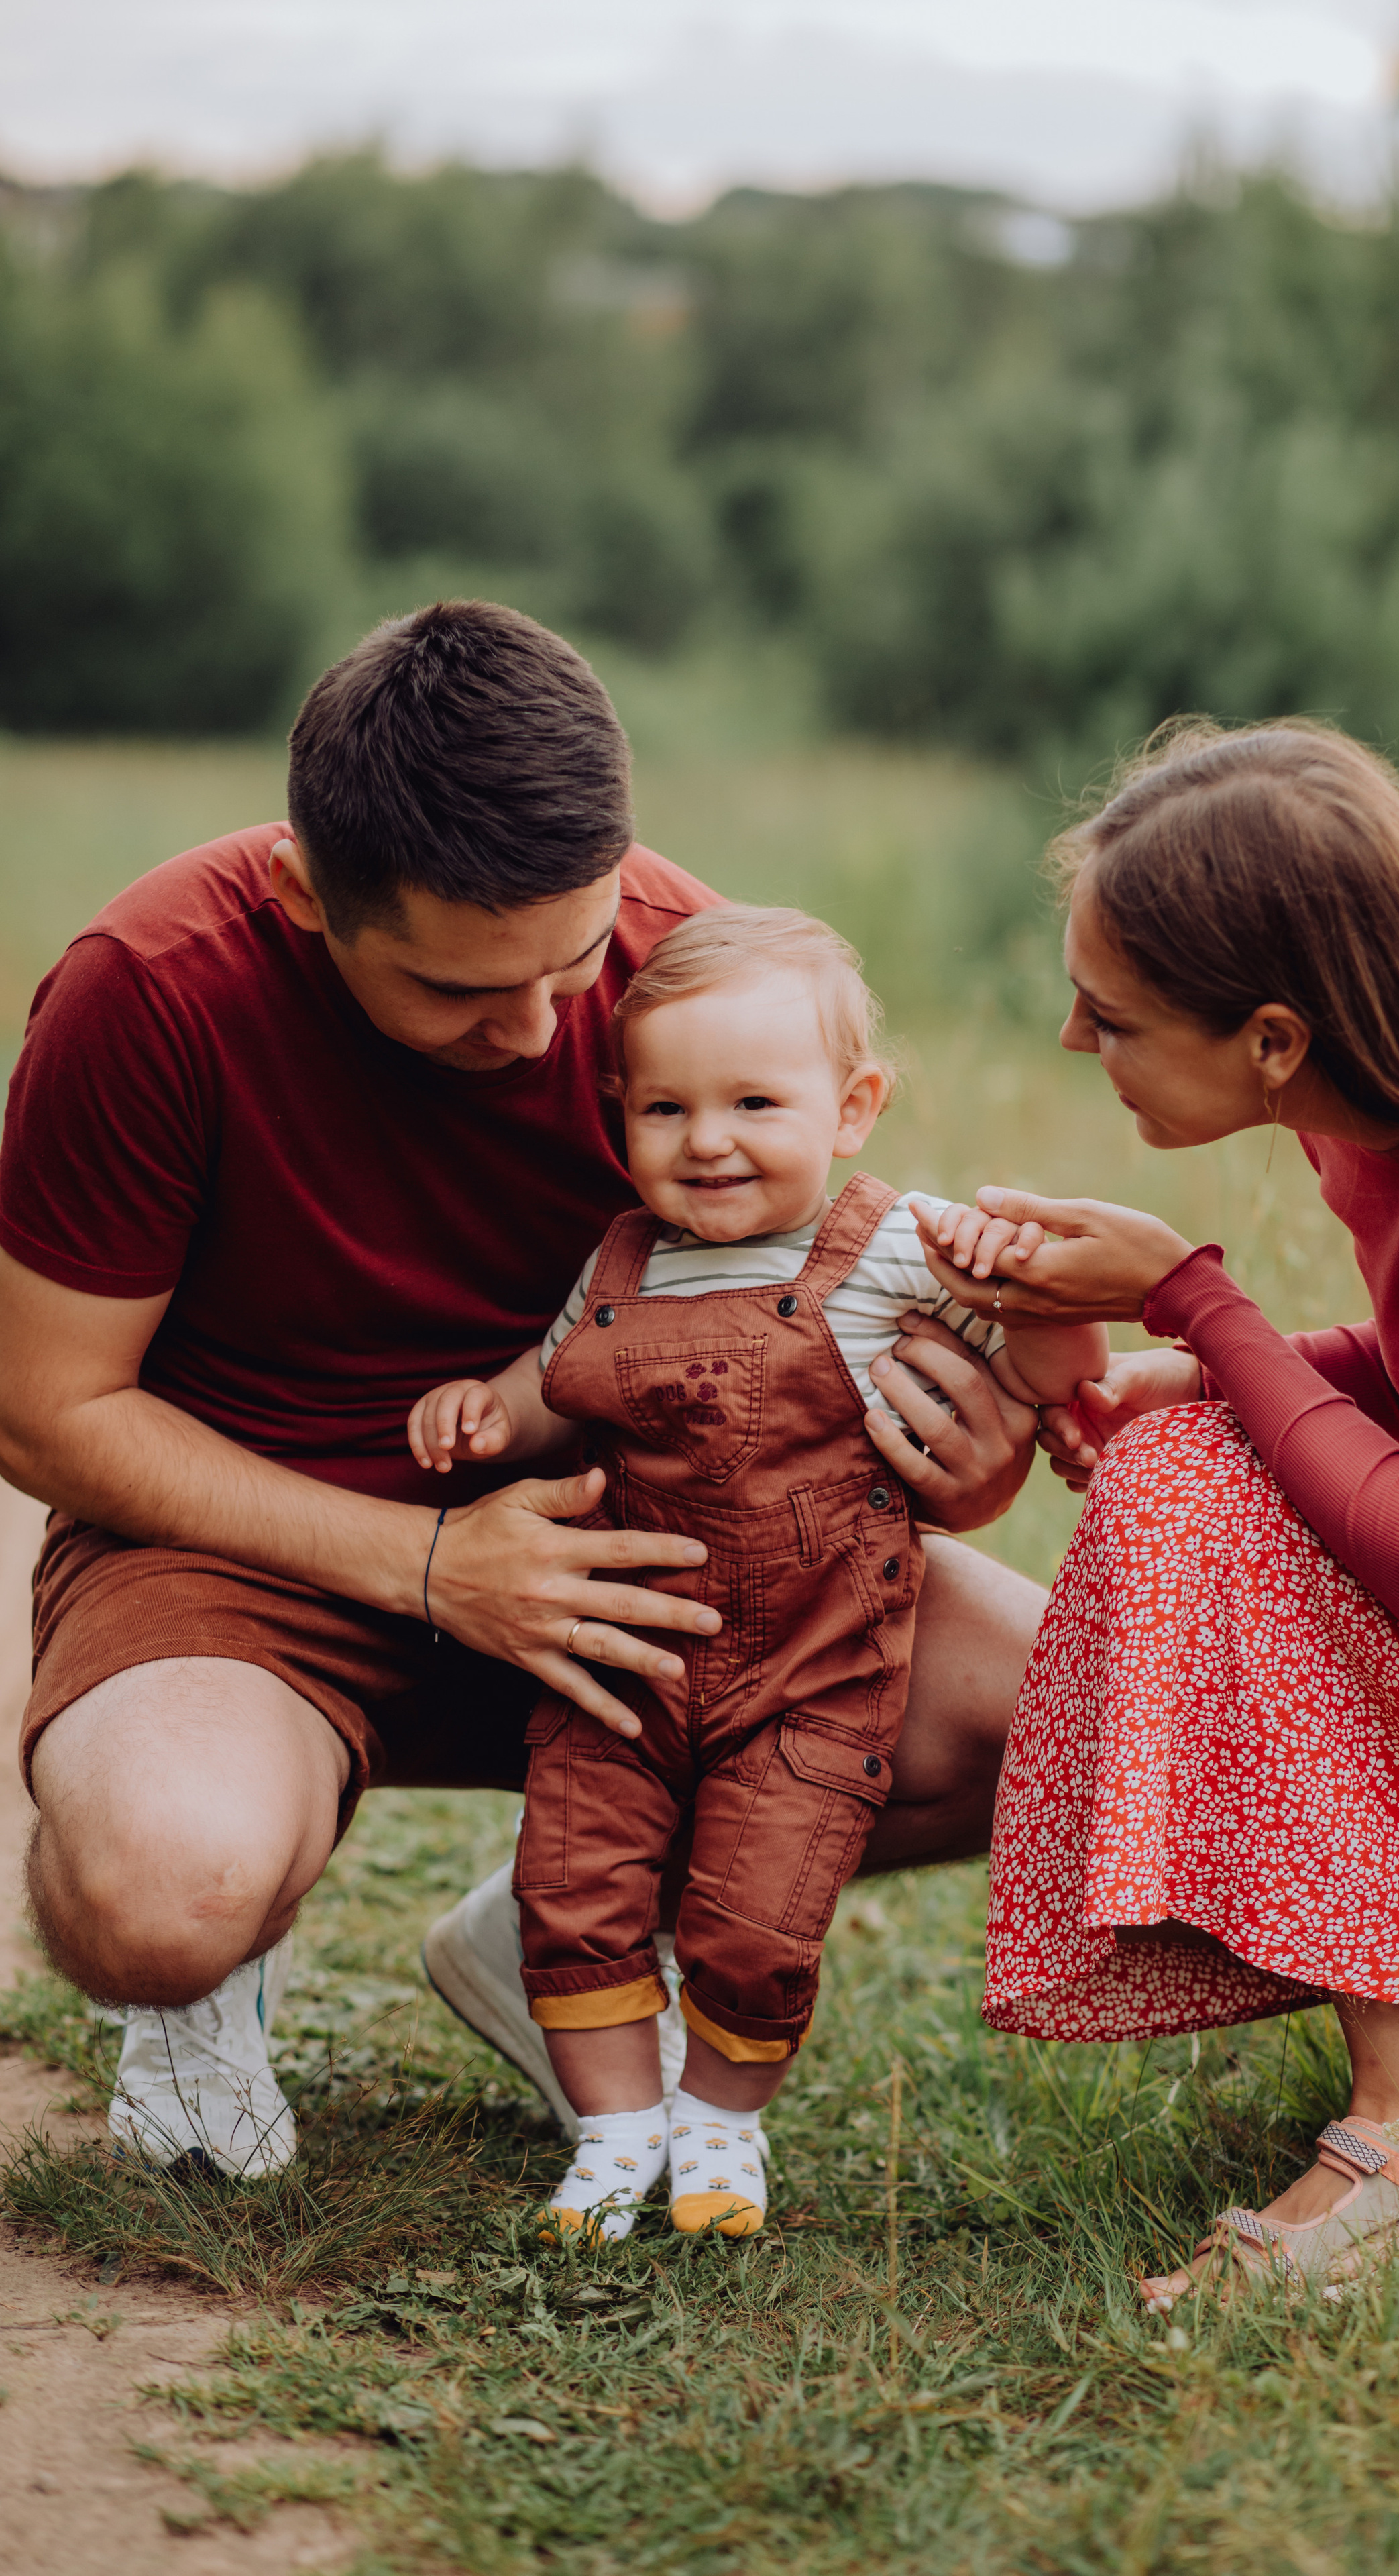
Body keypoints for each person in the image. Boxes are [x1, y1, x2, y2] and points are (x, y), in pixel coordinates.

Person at [0, 601, 1044, 2178]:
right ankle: (209, 1983)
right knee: (164, 1893)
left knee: (1052, 1702)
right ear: (306, 897)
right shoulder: (150, 988)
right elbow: (46, 1411)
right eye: (458, 993)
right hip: (246, 1551)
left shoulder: (671, 960)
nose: (545, 1029)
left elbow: (810, 1303)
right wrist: (427, 1564)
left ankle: (568, 1925)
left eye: (572, 961)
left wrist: (959, 1455)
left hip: (642, 1545)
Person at [919, 716, 1399, 2304]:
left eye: (1113, 1014)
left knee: (1214, 1496)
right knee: (1196, 1460)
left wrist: (1194, 1306)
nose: (1078, 1043)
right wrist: (1226, 1365)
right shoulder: (1396, 1058)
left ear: (1275, 1038)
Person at [406, 904, 1106, 2240]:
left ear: (853, 1107)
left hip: (814, 1670)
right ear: (620, 1113)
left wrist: (1057, 1355)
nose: (706, 1140)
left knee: (759, 1912)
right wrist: (487, 1413)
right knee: (576, 1885)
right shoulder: (621, 1261)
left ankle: (721, 2129)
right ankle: (614, 2136)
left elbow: (1030, 1340)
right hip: (626, 1656)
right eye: (664, 1110)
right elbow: (558, 1383)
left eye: (751, 1103)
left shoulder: (896, 1244)